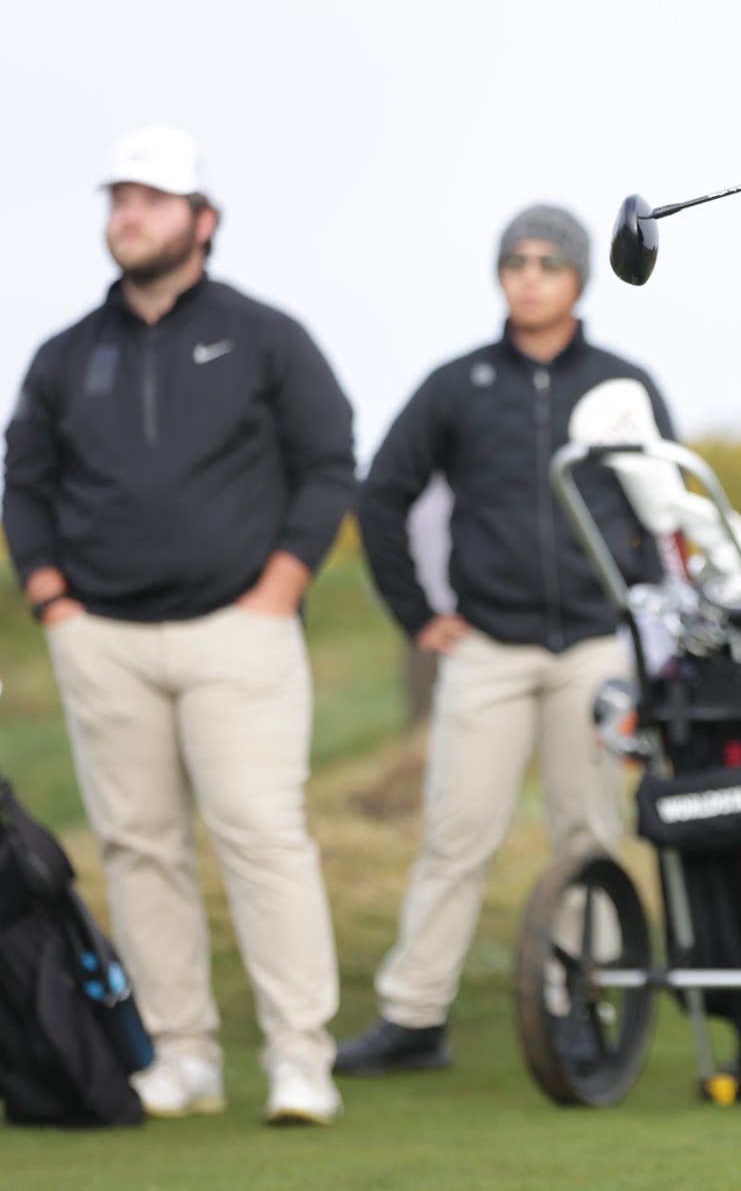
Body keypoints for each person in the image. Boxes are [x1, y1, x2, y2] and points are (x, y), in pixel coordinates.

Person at [3, 126, 356, 1125]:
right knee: (137, 844)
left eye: (152, 199)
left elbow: (328, 459)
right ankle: (184, 1050)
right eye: (119, 198)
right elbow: (22, 484)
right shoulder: (66, 355)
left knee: (260, 834)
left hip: (236, 628)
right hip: (102, 637)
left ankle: (299, 1054)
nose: (129, 215)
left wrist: (281, 584)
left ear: (202, 221)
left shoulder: (264, 335)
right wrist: (52, 602)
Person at [334, 205, 674, 1075]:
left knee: (588, 830)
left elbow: (667, 510)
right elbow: (382, 496)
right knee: (457, 833)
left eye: (548, 262)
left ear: (579, 278)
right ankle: (414, 1017)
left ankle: (583, 1000)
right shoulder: (457, 383)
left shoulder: (621, 383)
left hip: (596, 648)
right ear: (500, 274)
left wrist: (651, 622)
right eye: (515, 260)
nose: (530, 275)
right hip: (488, 645)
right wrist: (418, 614)